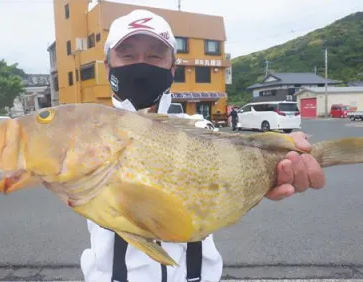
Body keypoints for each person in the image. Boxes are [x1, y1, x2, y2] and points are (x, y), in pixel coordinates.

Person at [80, 9, 326, 282]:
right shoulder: (85, 134)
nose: (141, 65)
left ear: (172, 68)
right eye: (127, 55)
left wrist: (283, 154)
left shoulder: (198, 128)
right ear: (107, 66)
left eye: (154, 55)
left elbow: (238, 153)